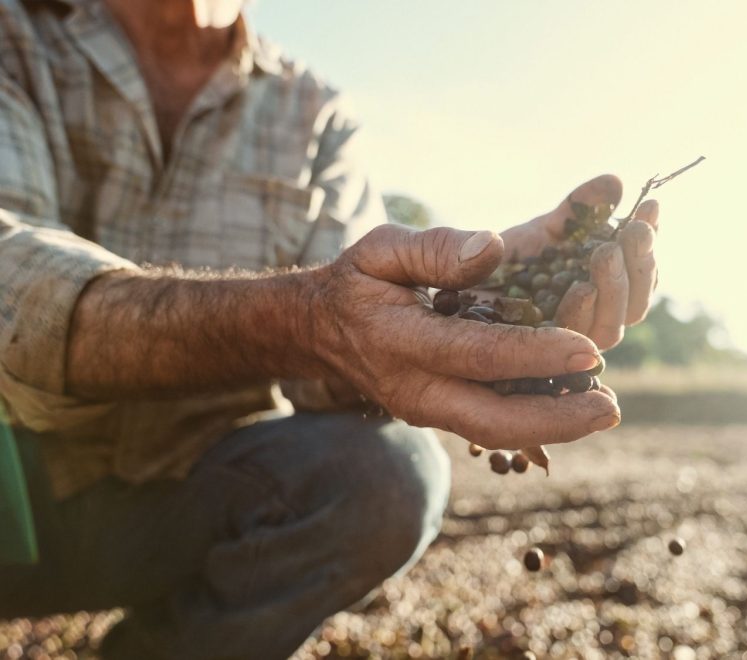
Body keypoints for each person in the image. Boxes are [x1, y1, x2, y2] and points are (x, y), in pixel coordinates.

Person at [0, 0, 661, 657]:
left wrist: (452, 313)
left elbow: (344, 355)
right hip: (14, 502)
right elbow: (11, 285)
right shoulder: (16, 34)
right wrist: (307, 316)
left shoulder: (310, 112)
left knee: (385, 473)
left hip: (177, 502)